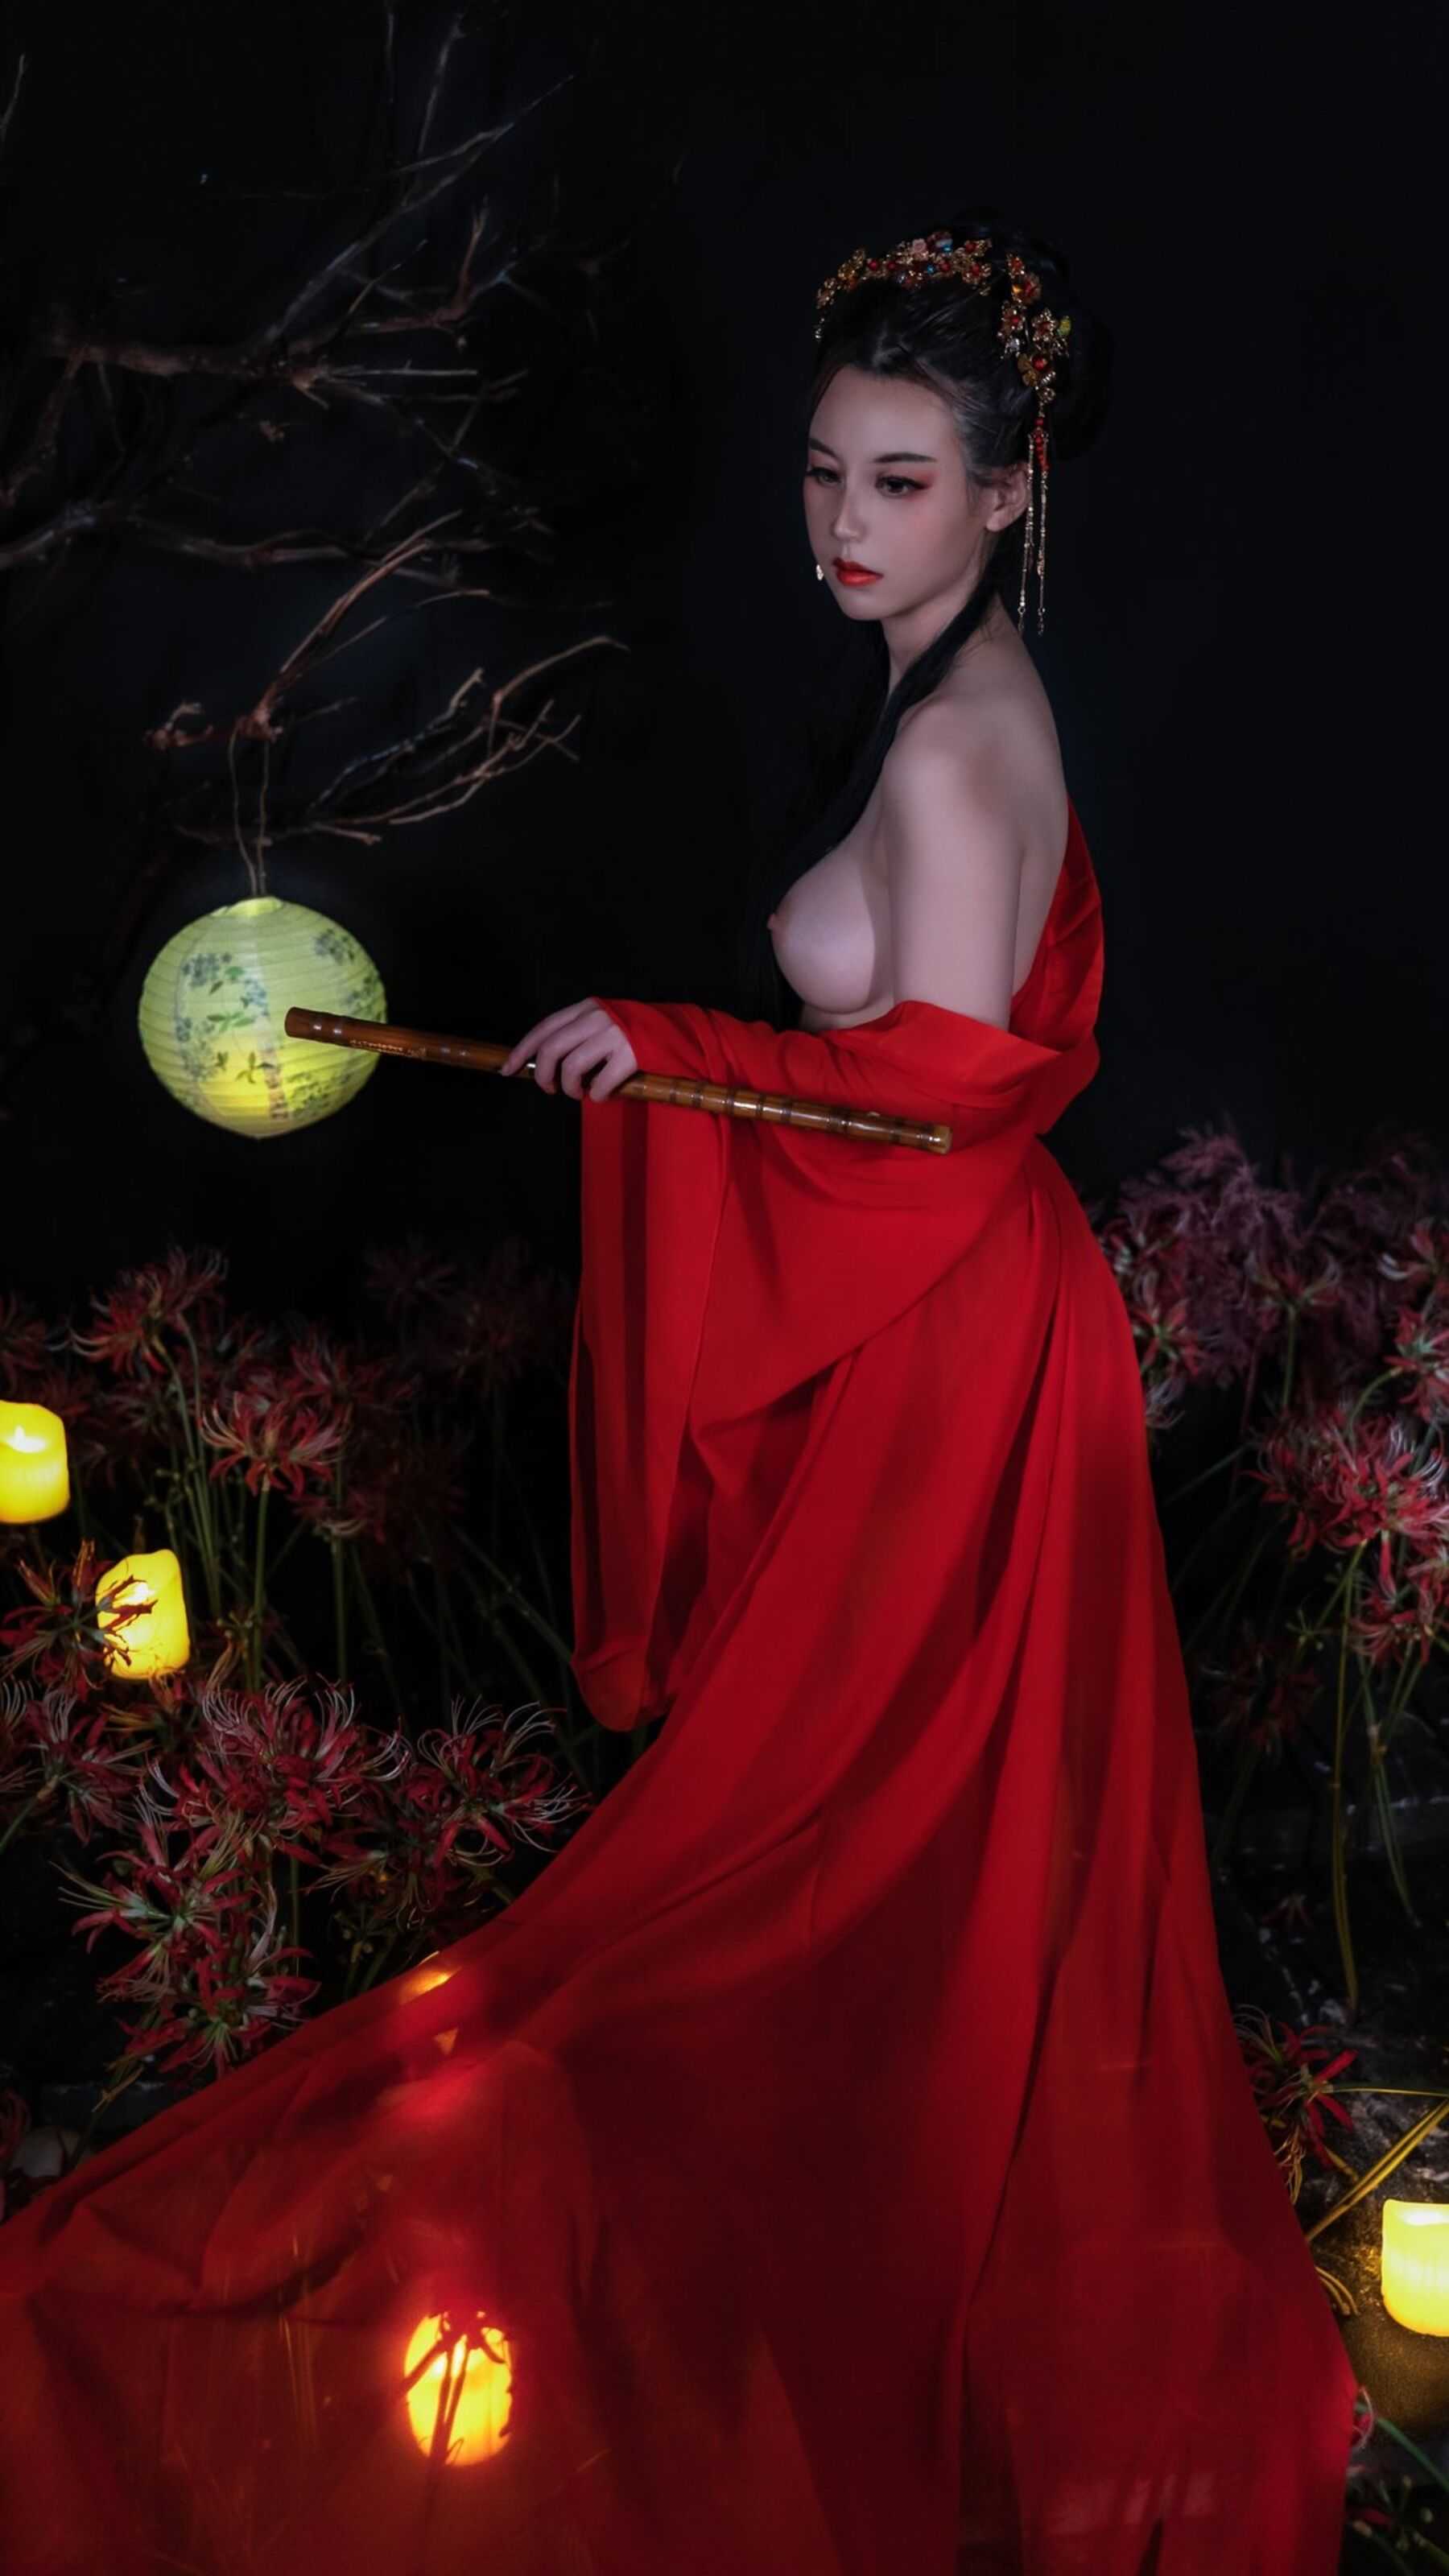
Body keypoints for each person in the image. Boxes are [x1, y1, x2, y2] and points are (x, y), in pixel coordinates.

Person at [0, 210, 1360, 2575]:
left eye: (903, 481)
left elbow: (928, 1120)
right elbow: (927, 1083)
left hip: (946, 1343)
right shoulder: (958, 689)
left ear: (1011, 487)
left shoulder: (961, 755)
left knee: (829, 1852)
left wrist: (670, 1057)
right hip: (965, 1324)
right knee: (882, 1846)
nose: (845, 521)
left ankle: (845, 2279)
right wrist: (683, 1061)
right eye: (825, 470)